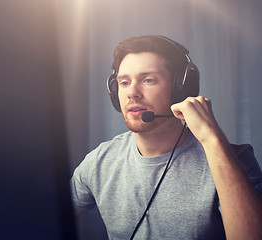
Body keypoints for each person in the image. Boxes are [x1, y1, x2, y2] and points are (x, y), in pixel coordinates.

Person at [70, 35, 262, 240]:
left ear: (182, 87)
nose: (132, 93)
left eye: (148, 80)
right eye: (124, 82)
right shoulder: (100, 161)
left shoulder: (233, 159)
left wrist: (211, 138)